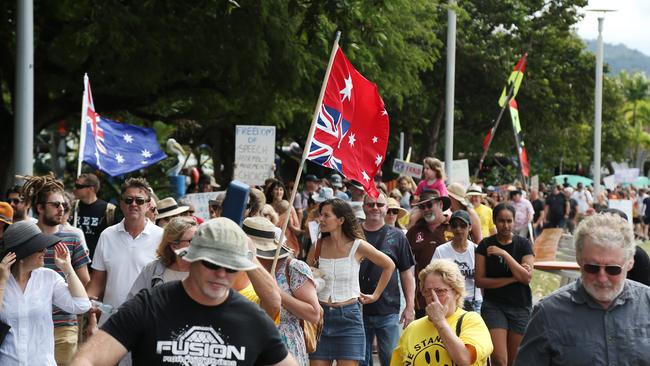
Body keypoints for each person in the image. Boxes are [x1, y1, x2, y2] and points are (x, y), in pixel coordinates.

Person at [71, 217, 297, 366]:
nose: (221, 274)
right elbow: (89, 358)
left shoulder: (250, 317)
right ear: (191, 260)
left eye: (231, 267)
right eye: (212, 264)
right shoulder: (150, 306)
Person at [515, 213, 650, 365]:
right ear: (579, 259)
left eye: (613, 269)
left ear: (630, 262)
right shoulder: (548, 313)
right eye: (592, 268)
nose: (602, 277)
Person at [307, 198, 395, 366]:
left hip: (349, 318)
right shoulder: (316, 245)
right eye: (320, 215)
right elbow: (306, 278)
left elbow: (389, 265)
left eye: (326, 215)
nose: (321, 219)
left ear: (341, 220)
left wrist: (375, 295)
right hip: (320, 317)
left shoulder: (358, 245)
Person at [20, 173, 91, 365]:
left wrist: (90, 321)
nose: (62, 209)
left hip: (64, 324)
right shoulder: (25, 235)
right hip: (27, 322)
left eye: (64, 206)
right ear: (40, 208)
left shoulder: (73, 236)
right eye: (56, 205)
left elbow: (85, 282)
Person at [0, 221, 91, 365]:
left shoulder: (49, 277)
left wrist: (67, 268)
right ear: (23, 253)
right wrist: (2, 282)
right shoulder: (2, 280)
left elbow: (82, 305)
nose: (45, 251)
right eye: (39, 248)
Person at [86, 178, 164, 332]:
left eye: (139, 201)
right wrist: (90, 317)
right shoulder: (107, 235)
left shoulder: (162, 237)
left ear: (149, 205)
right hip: (111, 323)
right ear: (121, 204)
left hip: (148, 323)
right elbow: (97, 282)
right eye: (128, 200)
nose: (133, 204)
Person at [244, 216, 321, 366]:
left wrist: (273, 291)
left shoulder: (292, 267)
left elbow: (314, 313)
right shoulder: (239, 266)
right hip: (248, 342)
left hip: (283, 345)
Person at [390, 260, 493, 366]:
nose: (432, 297)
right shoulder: (412, 328)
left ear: (456, 292)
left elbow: (465, 359)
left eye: (439, 291)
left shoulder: (471, 320)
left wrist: (440, 322)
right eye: (427, 291)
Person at [359, 193, 416, 366]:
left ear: (386, 208)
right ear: (363, 207)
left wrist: (410, 306)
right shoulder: (353, 234)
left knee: (391, 360)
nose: (375, 207)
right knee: (361, 361)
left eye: (379, 204)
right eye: (370, 204)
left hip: (388, 309)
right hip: (356, 308)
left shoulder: (398, 236)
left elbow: (407, 273)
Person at [475, 203, 534, 366]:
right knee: (499, 360)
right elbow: (480, 280)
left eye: (509, 221)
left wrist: (504, 254)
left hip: (520, 306)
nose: (506, 225)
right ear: (494, 220)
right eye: (501, 221)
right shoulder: (485, 245)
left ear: (514, 221)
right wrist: (513, 278)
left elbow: (527, 278)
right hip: (494, 305)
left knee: (514, 361)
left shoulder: (524, 244)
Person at [405, 190, 452, 318]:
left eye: (429, 205)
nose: (426, 209)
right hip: (423, 298)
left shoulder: (455, 226)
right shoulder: (414, 231)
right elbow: (405, 265)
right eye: (422, 207)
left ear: (440, 204)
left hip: (452, 296)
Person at [128, 217, 198, 297]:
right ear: (174, 246)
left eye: (200, 239)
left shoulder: (206, 269)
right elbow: (134, 303)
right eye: (192, 241)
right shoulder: (152, 269)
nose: (199, 244)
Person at [432, 210, 482, 312]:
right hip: (450, 300)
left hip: (474, 301)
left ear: (470, 227)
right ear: (450, 228)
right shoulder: (441, 251)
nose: (458, 229)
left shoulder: (477, 250)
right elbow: (433, 277)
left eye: (463, 225)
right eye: (454, 225)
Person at [71, 173, 118, 259]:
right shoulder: (72, 207)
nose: (75, 189)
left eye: (78, 186)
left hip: (97, 261)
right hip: (73, 260)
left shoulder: (108, 210)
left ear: (91, 189)